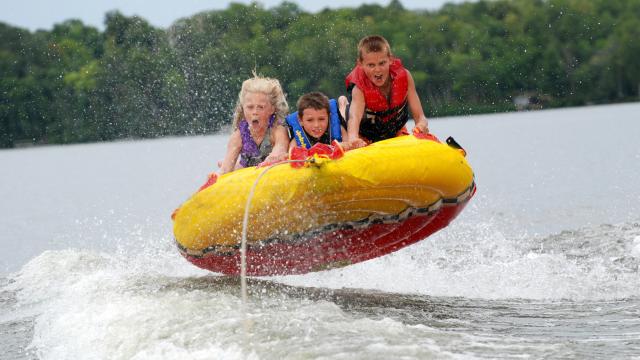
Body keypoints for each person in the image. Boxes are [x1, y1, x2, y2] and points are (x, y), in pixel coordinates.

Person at [343, 35, 430, 149]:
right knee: (349, 135)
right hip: (365, 137)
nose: (377, 69)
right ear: (360, 64)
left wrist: (421, 125)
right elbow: (354, 117)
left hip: (396, 131)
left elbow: (420, 116)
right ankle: (342, 104)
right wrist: (353, 138)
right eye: (371, 65)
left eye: (382, 63)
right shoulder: (359, 88)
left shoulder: (405, 77)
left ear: (390, 59)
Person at [218, 75, 290, 175]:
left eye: (261, 107)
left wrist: (275, 155)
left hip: (271, 170)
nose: (255, 112)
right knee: (229, 167)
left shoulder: (277, 129)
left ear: (272, 109)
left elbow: (281, 147)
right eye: (250, 107)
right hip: (248, 170)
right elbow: (226, 168)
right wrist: (221, 173)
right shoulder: (238, 135)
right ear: (243, 108)